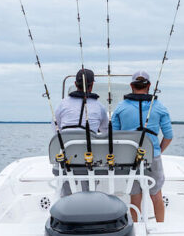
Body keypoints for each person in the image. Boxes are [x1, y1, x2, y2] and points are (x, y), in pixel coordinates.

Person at [111, 70, 173, 222]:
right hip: (152, 156)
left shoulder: (120, 107)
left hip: (128, 158)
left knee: (135, 196)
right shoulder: (160, 107)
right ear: (149, 86)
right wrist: (157, 151)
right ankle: (160, 226)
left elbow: (113, 136)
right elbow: (169, 136)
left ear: (131, 86)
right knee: (156, 194)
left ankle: (136, 227)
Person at [54, 68, 109, 133]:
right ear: (92, 85)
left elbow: (55, 127)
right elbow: (105, 130)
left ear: (75, 84)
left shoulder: (62, 104)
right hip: (89, 139)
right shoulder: (100, 107)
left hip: (65, 139)